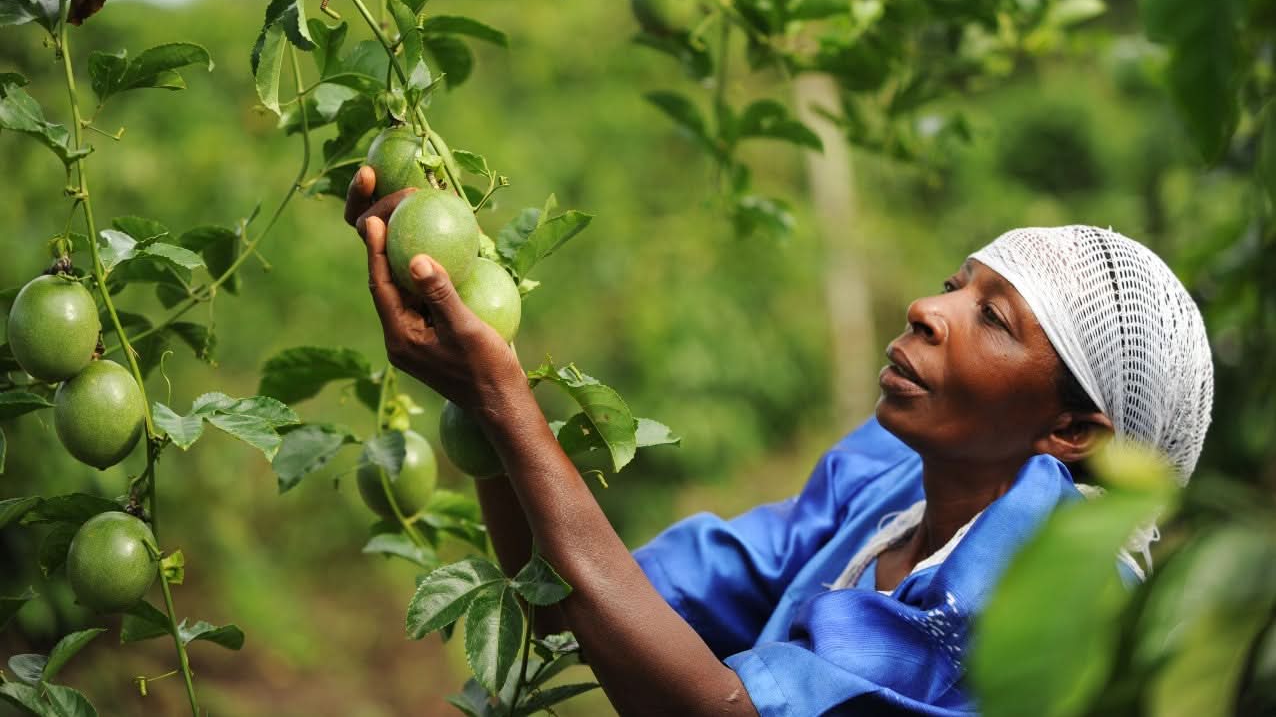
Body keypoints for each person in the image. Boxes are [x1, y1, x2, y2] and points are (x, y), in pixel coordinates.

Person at [345, 169, 1214, 716]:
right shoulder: (886, 485)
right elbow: (567, 600)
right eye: (956, 283)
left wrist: (505, 405)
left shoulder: (1041, 587)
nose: (928, 308)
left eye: (990, 317)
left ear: (1069, 431)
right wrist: (486, 395)